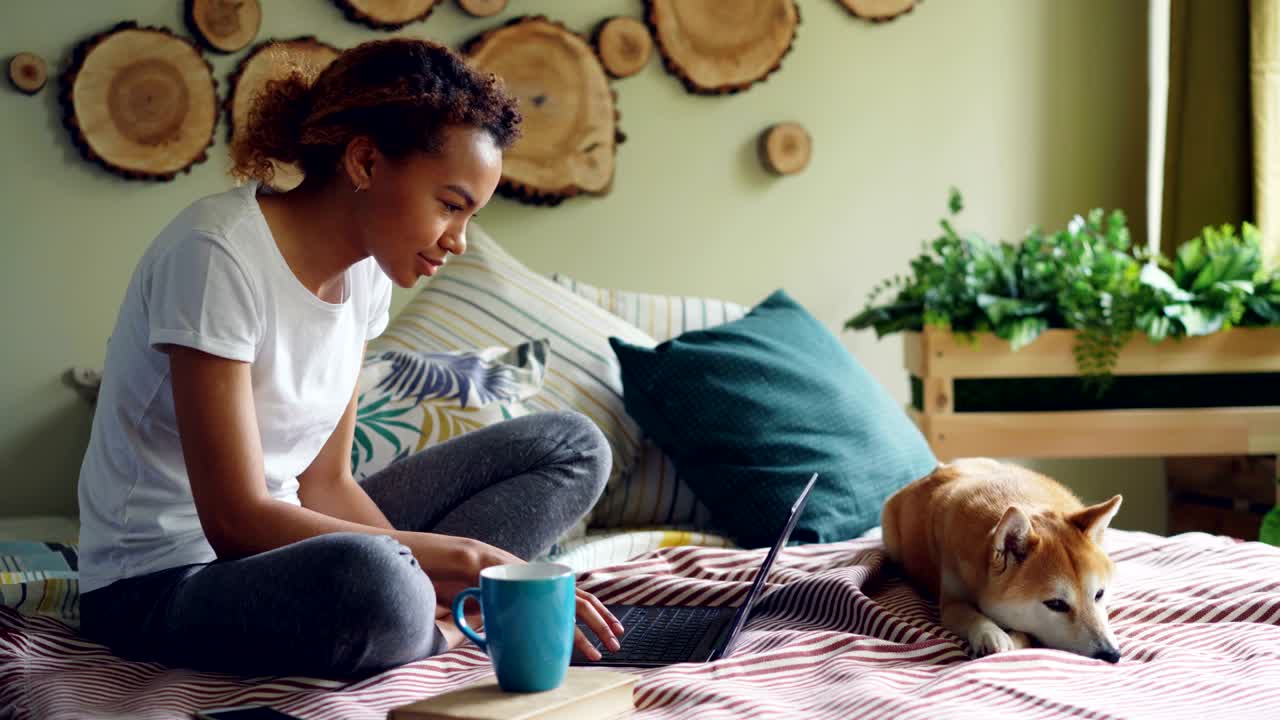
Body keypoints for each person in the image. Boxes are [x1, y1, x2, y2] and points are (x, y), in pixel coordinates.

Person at [76, 38, 622, 679]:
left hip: (293, 543)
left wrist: (416, 569)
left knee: (572, 446)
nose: (461, 240)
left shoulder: (368, 274)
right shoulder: (215, 255)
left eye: (470, 214)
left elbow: (326, 484)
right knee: (375, 584)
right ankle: (444, 619)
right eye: (450, 205)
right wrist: (466, 562)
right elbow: (233, 520)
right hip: (161, 585)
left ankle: (425, 616)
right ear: (364, 160)